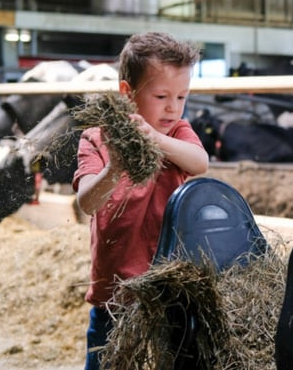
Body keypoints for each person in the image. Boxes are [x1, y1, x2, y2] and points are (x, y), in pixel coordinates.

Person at [72, 31, 209, 370]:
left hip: (168, 284)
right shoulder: (97, 138)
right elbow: (86, 203)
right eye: (161, 95)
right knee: (106, 361)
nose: (173, 106)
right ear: (127, 93)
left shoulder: (177, 133)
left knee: (175, 357)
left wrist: (155, 138)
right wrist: (116, 167)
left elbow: (200, 162)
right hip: (115, 289)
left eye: (182, 96)